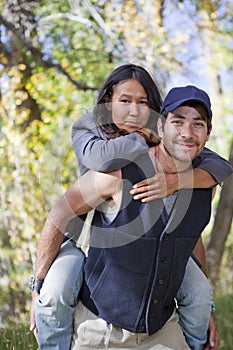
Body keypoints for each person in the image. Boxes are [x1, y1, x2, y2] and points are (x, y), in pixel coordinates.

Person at [29, 65, 232, 349]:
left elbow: (217, 171)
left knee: (199, 293)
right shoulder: (94, 136)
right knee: (55, 293)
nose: (134, 112)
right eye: (125, 101)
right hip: (84, 237)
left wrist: (177, 181)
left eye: (143, 103)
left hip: (156, 256)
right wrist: (37, 284)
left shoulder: (190, 164)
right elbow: (62, 213)